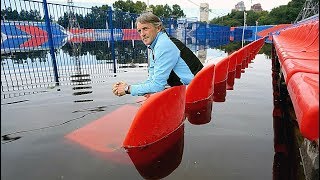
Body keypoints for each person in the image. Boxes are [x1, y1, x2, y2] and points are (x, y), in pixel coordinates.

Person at [112, 12, 203, 97]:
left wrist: (127, 89)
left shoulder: (164, 45)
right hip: (192, 87)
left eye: (145, 29)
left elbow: (157, 86)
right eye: (139, 31)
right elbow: (152, 80)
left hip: (197, 90)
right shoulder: (155, 46)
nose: (142, 34)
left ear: (158, 28)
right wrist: (130, 87)